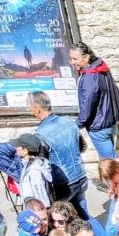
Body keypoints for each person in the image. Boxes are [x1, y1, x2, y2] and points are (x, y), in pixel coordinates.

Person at [29, 90, 88, 218]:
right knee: (84, 216)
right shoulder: (68, 121)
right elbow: (82, 146)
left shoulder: (40, 134)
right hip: (80, 175)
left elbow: (42, 164)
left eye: (31, 109)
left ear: (37, 109)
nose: (30, 112)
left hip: (64, 184)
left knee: (62, 221)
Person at [70, 42, 119, 160]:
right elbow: (115, 92)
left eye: (75, 59)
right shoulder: (101, 68)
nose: (72, 62)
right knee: (110, 161)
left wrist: (75, 126)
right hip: (109, 122)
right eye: (71, 59)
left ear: (86, 57)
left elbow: (87, 107)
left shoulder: (90, 77)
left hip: (99, 127)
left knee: (109, 164)